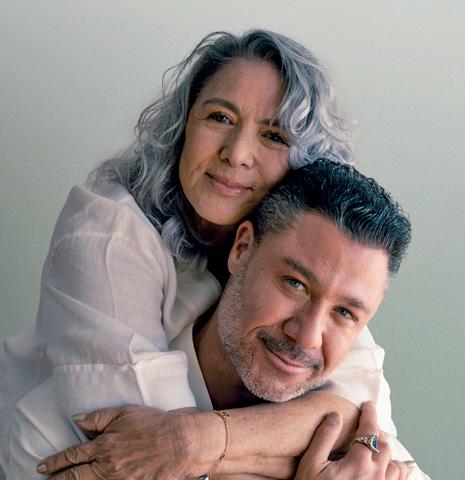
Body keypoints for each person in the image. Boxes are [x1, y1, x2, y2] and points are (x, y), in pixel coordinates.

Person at [0, 30, 414, 478]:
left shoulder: (317, 259)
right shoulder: (109, 234)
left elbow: (359, 412)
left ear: (308, 162)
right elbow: (152, 450)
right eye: (220, 117)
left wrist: (204, 440)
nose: (237, 154)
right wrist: (198, 443)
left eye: (274, 135)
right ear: (183, 125)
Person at [36, 160, 427, 479]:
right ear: (241, 249)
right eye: (294, 284)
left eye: (344, 313)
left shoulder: (369, 462)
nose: (307, 336)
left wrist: (199, 446)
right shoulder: (79, 440)